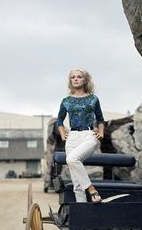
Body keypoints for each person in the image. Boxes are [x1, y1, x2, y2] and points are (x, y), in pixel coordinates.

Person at [57, 68, 105, 203]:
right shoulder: (66, 100)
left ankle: (92, 190)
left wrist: (101, 132)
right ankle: (83, 214)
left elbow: (101, 119)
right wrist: (62, 133)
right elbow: (59, 120)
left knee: (71, 159)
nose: (76, 79)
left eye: (79, 77)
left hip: (89, 135)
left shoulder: (93, 99)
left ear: (85, 80)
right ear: (70, 81)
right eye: (73, 77)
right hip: (72, 137)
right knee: (77, 184)